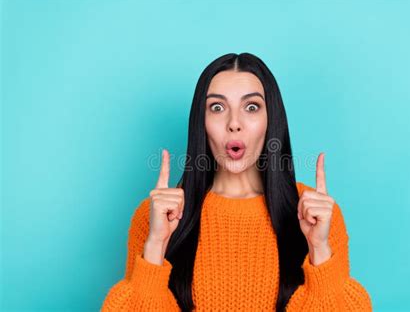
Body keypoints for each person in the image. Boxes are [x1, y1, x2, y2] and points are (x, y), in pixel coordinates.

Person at [101, 53, 372, 311]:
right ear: (201, 122)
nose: (234, 123)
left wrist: (319, 250)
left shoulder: (316, 214)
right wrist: (156, 246)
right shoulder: (156, 217)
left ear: (271, 120)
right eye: (217, 107)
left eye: (251, 107)